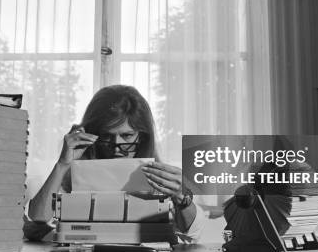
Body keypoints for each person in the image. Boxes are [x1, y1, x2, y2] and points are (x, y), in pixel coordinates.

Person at [25, 85, 204, 242]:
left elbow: (193, 234)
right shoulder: (72, 180)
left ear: (143, 137)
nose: (117, 146)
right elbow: (38, 219)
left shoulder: (162, 179)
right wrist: (63, 163)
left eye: (126, 136)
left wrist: (182, 198)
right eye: (106, 136)